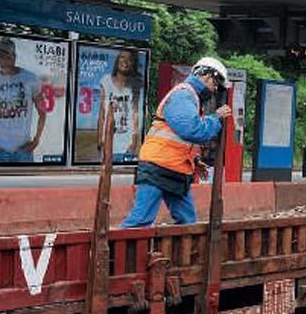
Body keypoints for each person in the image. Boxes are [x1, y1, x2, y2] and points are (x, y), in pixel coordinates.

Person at [120, 57, 232, 228]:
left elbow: (178, 136)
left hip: (175, 168)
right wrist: (216, 118)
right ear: (207, 76)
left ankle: (182, 254)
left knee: (187, 222)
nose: (214, 90)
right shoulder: (183, 94)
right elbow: (193, 130)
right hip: (158, 167)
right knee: (140, 220)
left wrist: (193, 161)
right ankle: (112, 253)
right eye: (215, 84)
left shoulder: (191, 97)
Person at [0, 37, 46, 163]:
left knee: (25, 182)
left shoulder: (30, 78)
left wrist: (35, 141)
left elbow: (42, 112)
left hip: (23, 150)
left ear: (13, 55)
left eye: (5, 53)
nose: (2, 58)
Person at [97, 49, 143, 161]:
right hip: (108, 140)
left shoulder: (134, 86)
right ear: (117, 60)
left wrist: (133, 142)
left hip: (126, 143)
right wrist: (100, 139)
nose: (125, 61)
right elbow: (102, 112)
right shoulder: (106, 81)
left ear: (133, 64)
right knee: (106, 172)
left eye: (129, 59)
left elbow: (135, 115)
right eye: (122, 57)